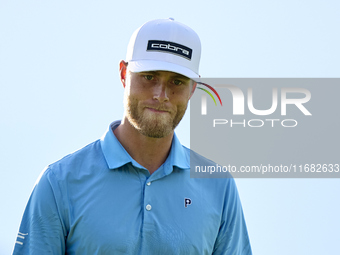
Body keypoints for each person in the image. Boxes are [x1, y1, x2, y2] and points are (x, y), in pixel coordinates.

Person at [13, 18, 252, 254]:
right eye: (149, 77)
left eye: (177, 82)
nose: (161, 94)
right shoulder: (59, 182)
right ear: (124, 74)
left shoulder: (218, 186)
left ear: (191, 90)